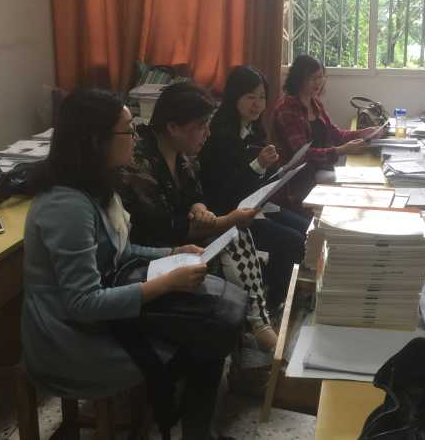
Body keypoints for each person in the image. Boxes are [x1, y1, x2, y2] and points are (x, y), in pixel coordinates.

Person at [21, 89, 225, 440]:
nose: (135, 137)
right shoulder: (67, 206)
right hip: (68, 339)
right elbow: (83, 303)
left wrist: (173, 252)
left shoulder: (100, 185)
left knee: (210, 323)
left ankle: (194, 430)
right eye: (128, 130)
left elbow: (123, 251)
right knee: (203, 339)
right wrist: (167, 282)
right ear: (95, 140)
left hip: (97, 317)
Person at [116, 82, 278, 352]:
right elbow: (166, 228)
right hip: (151, 249)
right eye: (201, 126)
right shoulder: (140, 161)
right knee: (234, 233)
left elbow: (195, 193)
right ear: (173, 127)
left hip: (179, 235)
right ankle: (258, 324)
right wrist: (228, 220)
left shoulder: (182, 153)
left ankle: (255, 324)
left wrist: (200, 208)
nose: (207, 133)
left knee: (236, 235)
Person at [199, 66, 310, 312]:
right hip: (230, 213)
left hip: (256, 205)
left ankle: (274, 286)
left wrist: (276, 170)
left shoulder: (254, 129)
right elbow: (227, 192)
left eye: (262, 97)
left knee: (306, 228)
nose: (257, 104)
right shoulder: (220, 135)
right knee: (292, 241)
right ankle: (273, 300)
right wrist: (258, 165)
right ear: (234, 97)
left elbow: (258, 182)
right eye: (250, 97)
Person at [271, 54, 383, 209]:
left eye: (321, 77)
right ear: (299, 79)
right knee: (358, 189)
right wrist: (341, 150)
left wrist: (363, 133)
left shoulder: (314, 102)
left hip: (320, 169)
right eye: (313, 78)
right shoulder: (287, 109)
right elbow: (302, 155)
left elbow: (335, 134)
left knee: (368, 182)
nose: (318, 82)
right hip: (299, 178)